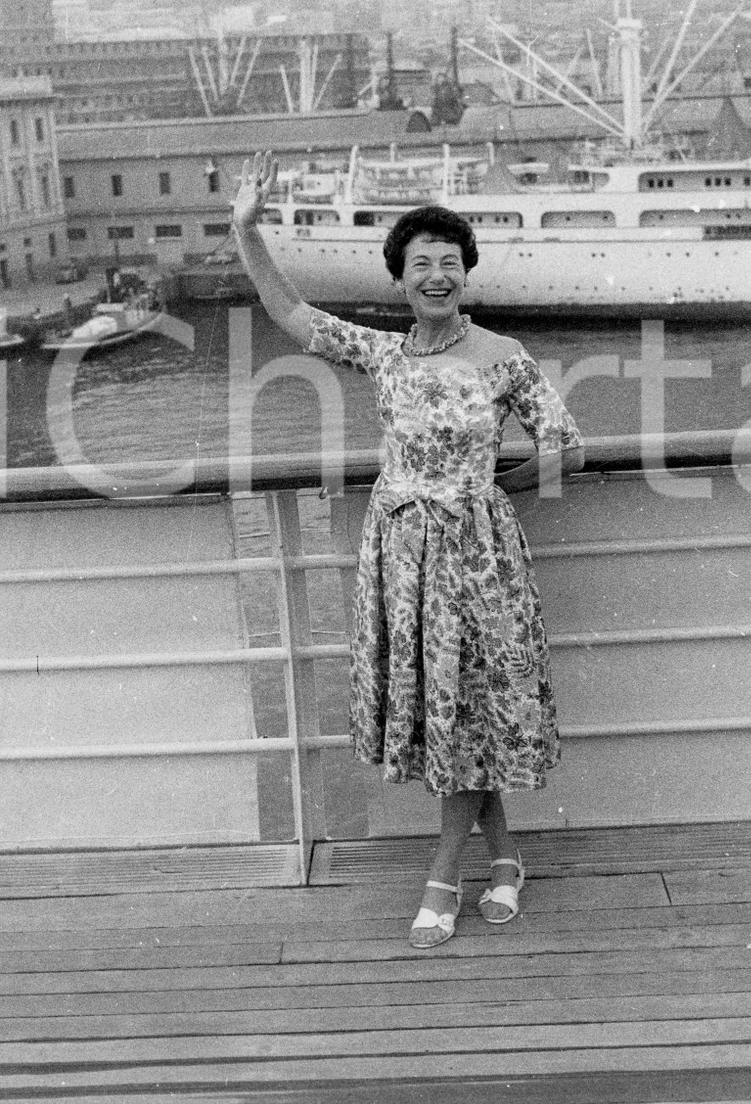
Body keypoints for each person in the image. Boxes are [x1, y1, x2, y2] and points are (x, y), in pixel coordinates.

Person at [232, 151, 585, 948]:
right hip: (398, 559)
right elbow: (289, 312)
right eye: (420, 263)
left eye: (449, 262)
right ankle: (505, 857)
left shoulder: (503, 356)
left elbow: (569, 445)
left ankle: (442, 870)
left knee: (467, 707)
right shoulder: (385, 356)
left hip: (476, 557)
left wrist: (489, 491)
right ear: (399, 279)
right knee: (449, 711)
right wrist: (244, 230)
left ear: (466, 273)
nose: (436, 274)